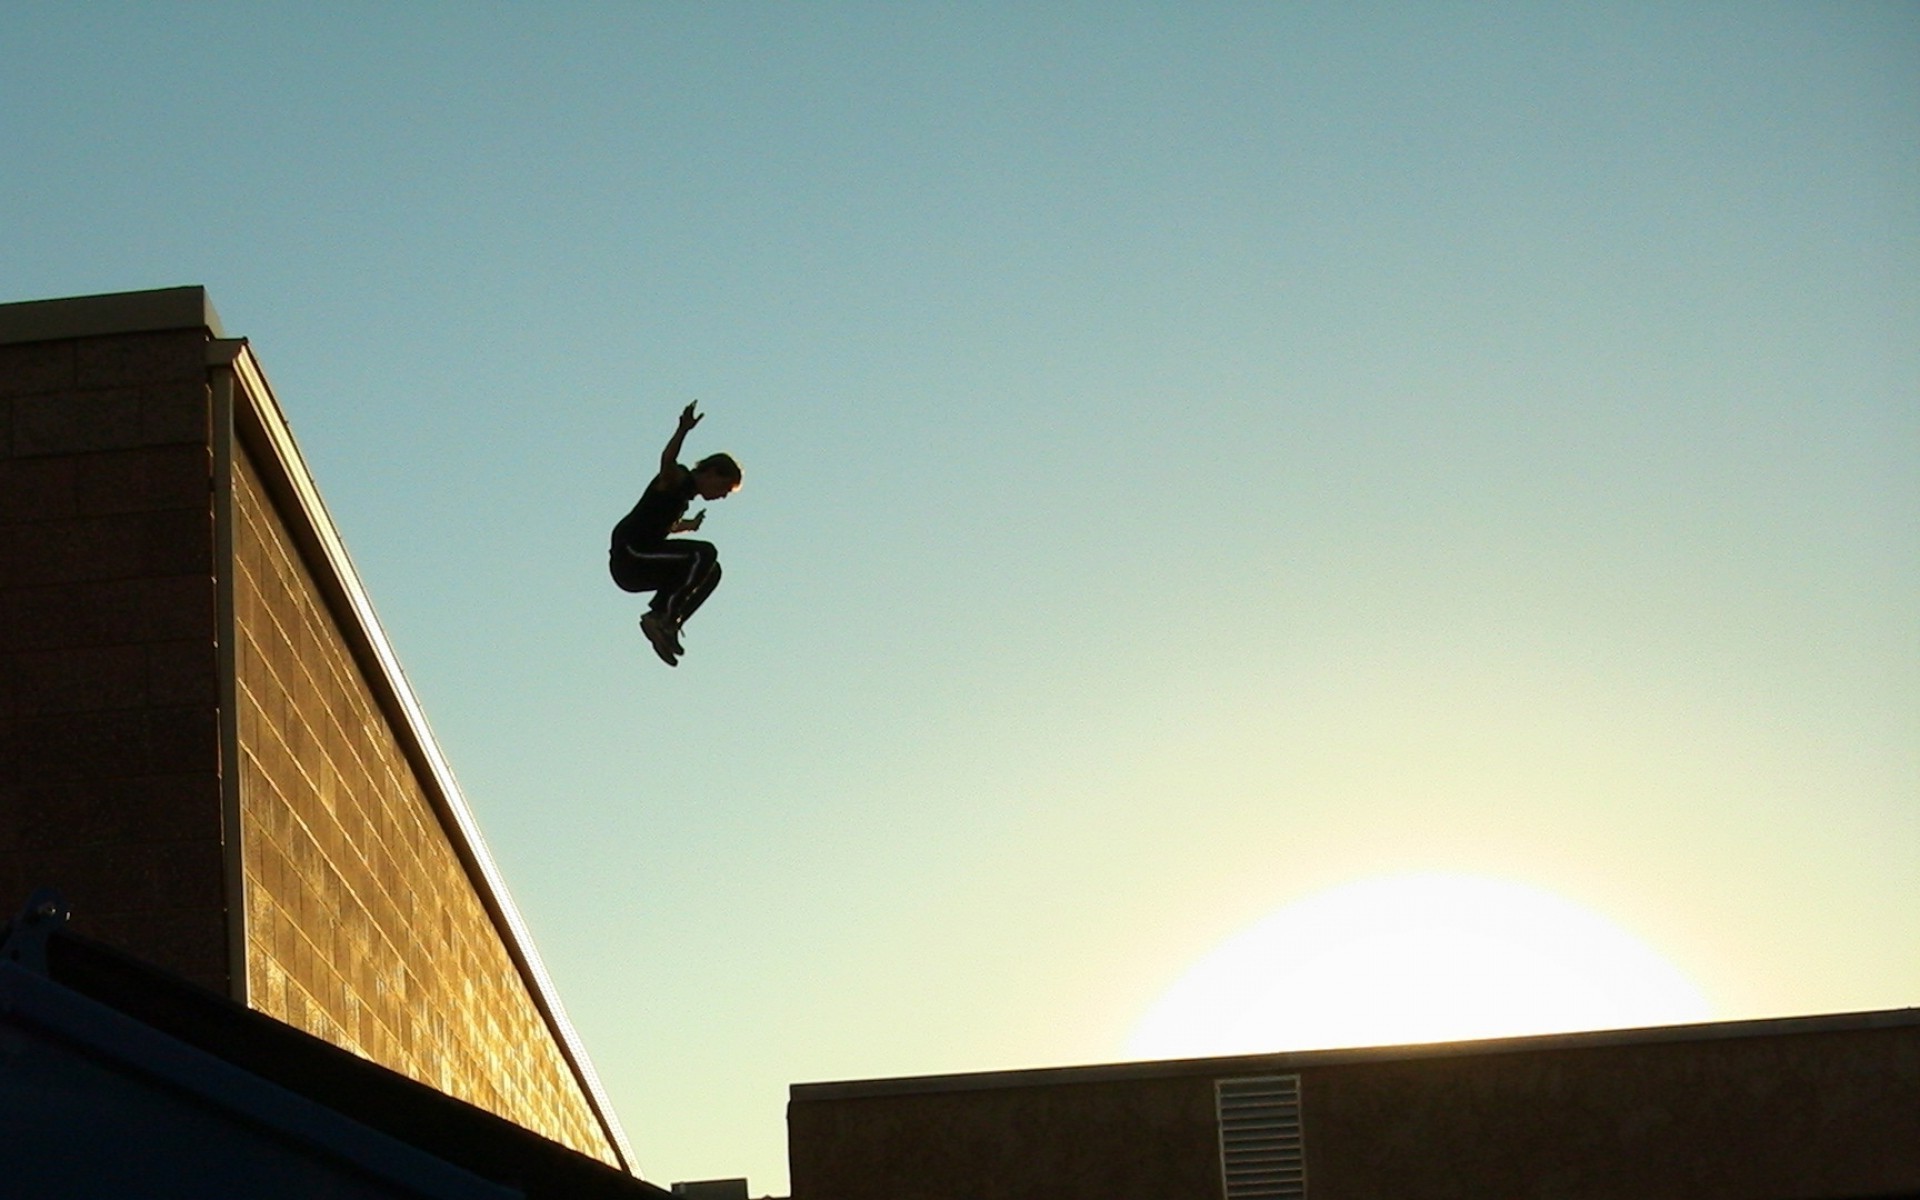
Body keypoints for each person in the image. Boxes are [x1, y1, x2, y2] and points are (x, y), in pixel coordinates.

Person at [608, 401, 741, 666]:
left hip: (643, 561)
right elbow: (667, 461)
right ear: (712, 473)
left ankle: (667, 625)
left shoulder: (681, 500)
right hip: (630, 553)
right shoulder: (677, 479)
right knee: (705, 553)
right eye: (724, 488)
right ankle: (660, 616)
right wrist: (682, 430)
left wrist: (686, 526)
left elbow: (662, 525)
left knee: (712, 571)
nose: (722, 496)